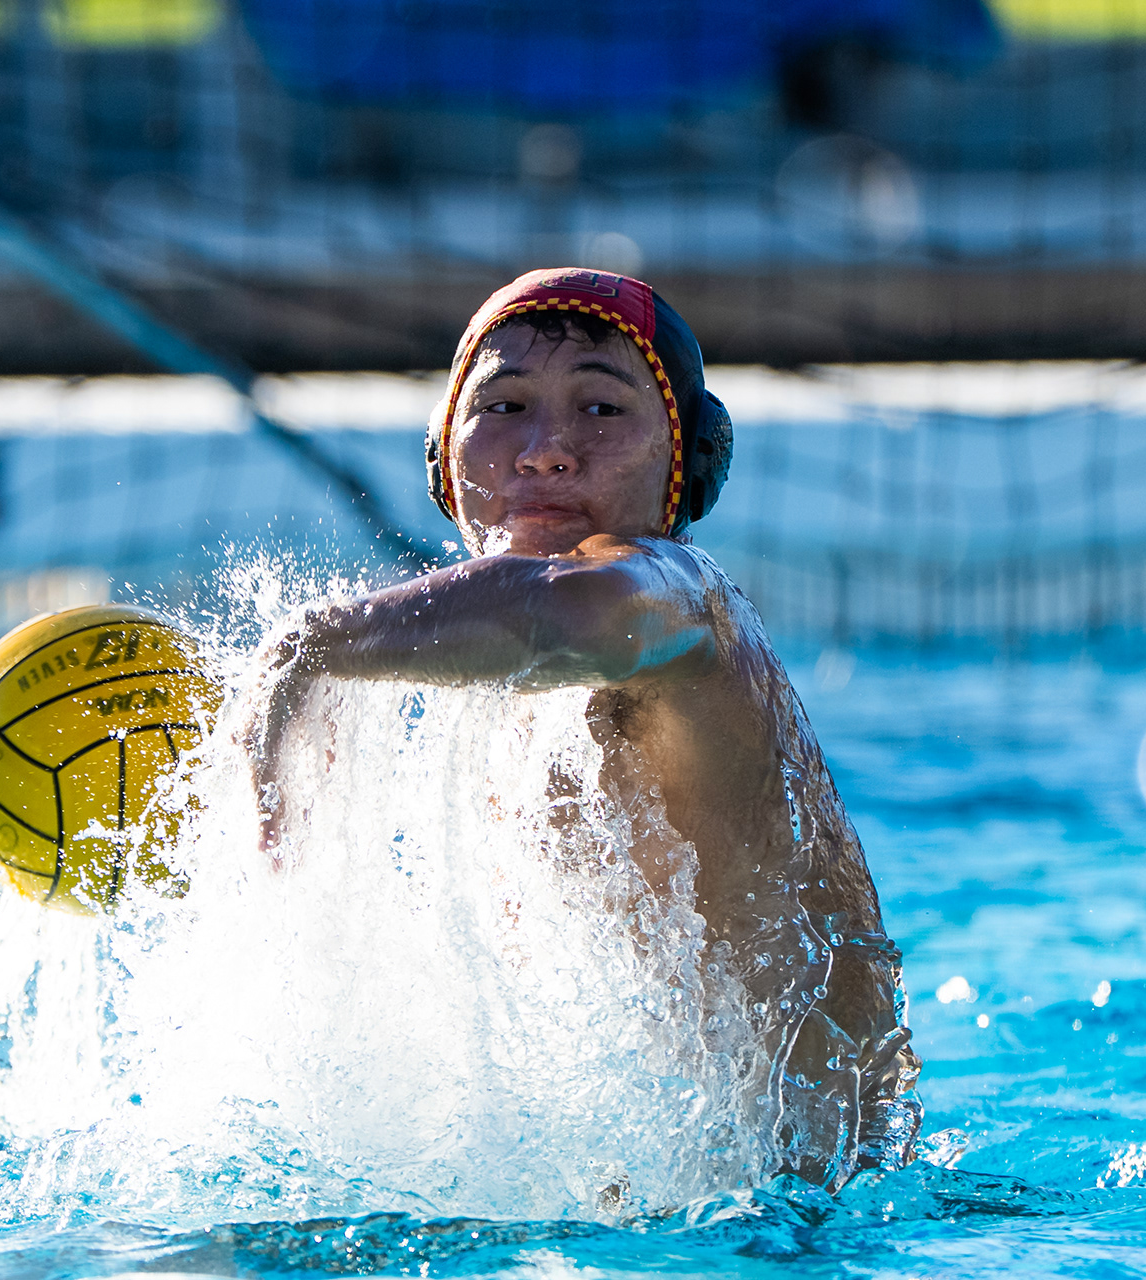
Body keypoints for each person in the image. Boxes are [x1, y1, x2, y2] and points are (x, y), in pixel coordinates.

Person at [243, 268, 919, 1191]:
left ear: (686, 462)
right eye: (505, 407)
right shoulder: (493, 680)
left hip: (807, 1217)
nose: (546, 452)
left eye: (602, 410)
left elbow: (579, 612)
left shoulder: (686, 606)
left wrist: (307, 646)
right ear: (442, 458)